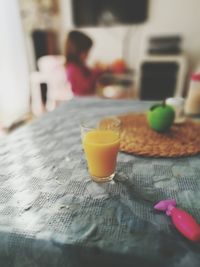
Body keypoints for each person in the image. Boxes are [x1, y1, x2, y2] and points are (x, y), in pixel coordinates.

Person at [65, 30, 102, 96]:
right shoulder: (73, 68)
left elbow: (90, 76)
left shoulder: (81, 65)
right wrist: (97, 71)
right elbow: (85, 88)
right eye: (86, 52)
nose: (88, 55)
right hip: (81, 101)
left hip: (88, 97)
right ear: (77, 51)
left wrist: (100, 70)